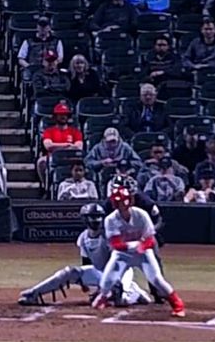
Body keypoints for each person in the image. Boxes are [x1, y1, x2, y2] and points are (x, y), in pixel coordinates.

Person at [18, 202, 152, 307]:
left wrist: (103, 289)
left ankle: (134, 292)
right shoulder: (83, 238)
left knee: (121, 300)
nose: (96, 220)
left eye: (98, 217)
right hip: (100, 271)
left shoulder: (109, 235)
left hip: (120, 271)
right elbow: (87, 263)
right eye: (92, 217)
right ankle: (33, 293)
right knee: (69, 272)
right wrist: (86, 283)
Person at [92, 180, 186, 317]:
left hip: (143, 254)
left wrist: (143, 246)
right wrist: (134, 244)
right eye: (117, 202)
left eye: (122, 201)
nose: (120, 204)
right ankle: (103, 297)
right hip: (122, 255)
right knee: (107, 281)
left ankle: (177, 305)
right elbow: (116, 244)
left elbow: (150, 239)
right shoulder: (110, 219)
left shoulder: (141, 214)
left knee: (157, 280)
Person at [36, 102, 84, 193]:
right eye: (60, 114)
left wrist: (57, 146)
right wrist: (67, 145)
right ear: (55, 116)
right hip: (53, 158)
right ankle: (46, 188)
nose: (63, 117)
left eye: (65, 114)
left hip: (71, 158)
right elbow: (48, 146)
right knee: (41, 162)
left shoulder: (75, 132)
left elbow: (79, 147)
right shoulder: (49, 131)